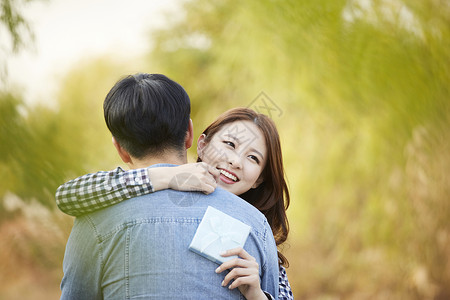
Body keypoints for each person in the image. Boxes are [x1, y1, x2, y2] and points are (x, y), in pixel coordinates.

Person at [59, 73, 280, 300]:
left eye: (253, 158)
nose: (235, 162)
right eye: (230, 144)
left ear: (120, 149)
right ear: (191, 135)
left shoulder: (95, 219)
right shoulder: (256, 225)